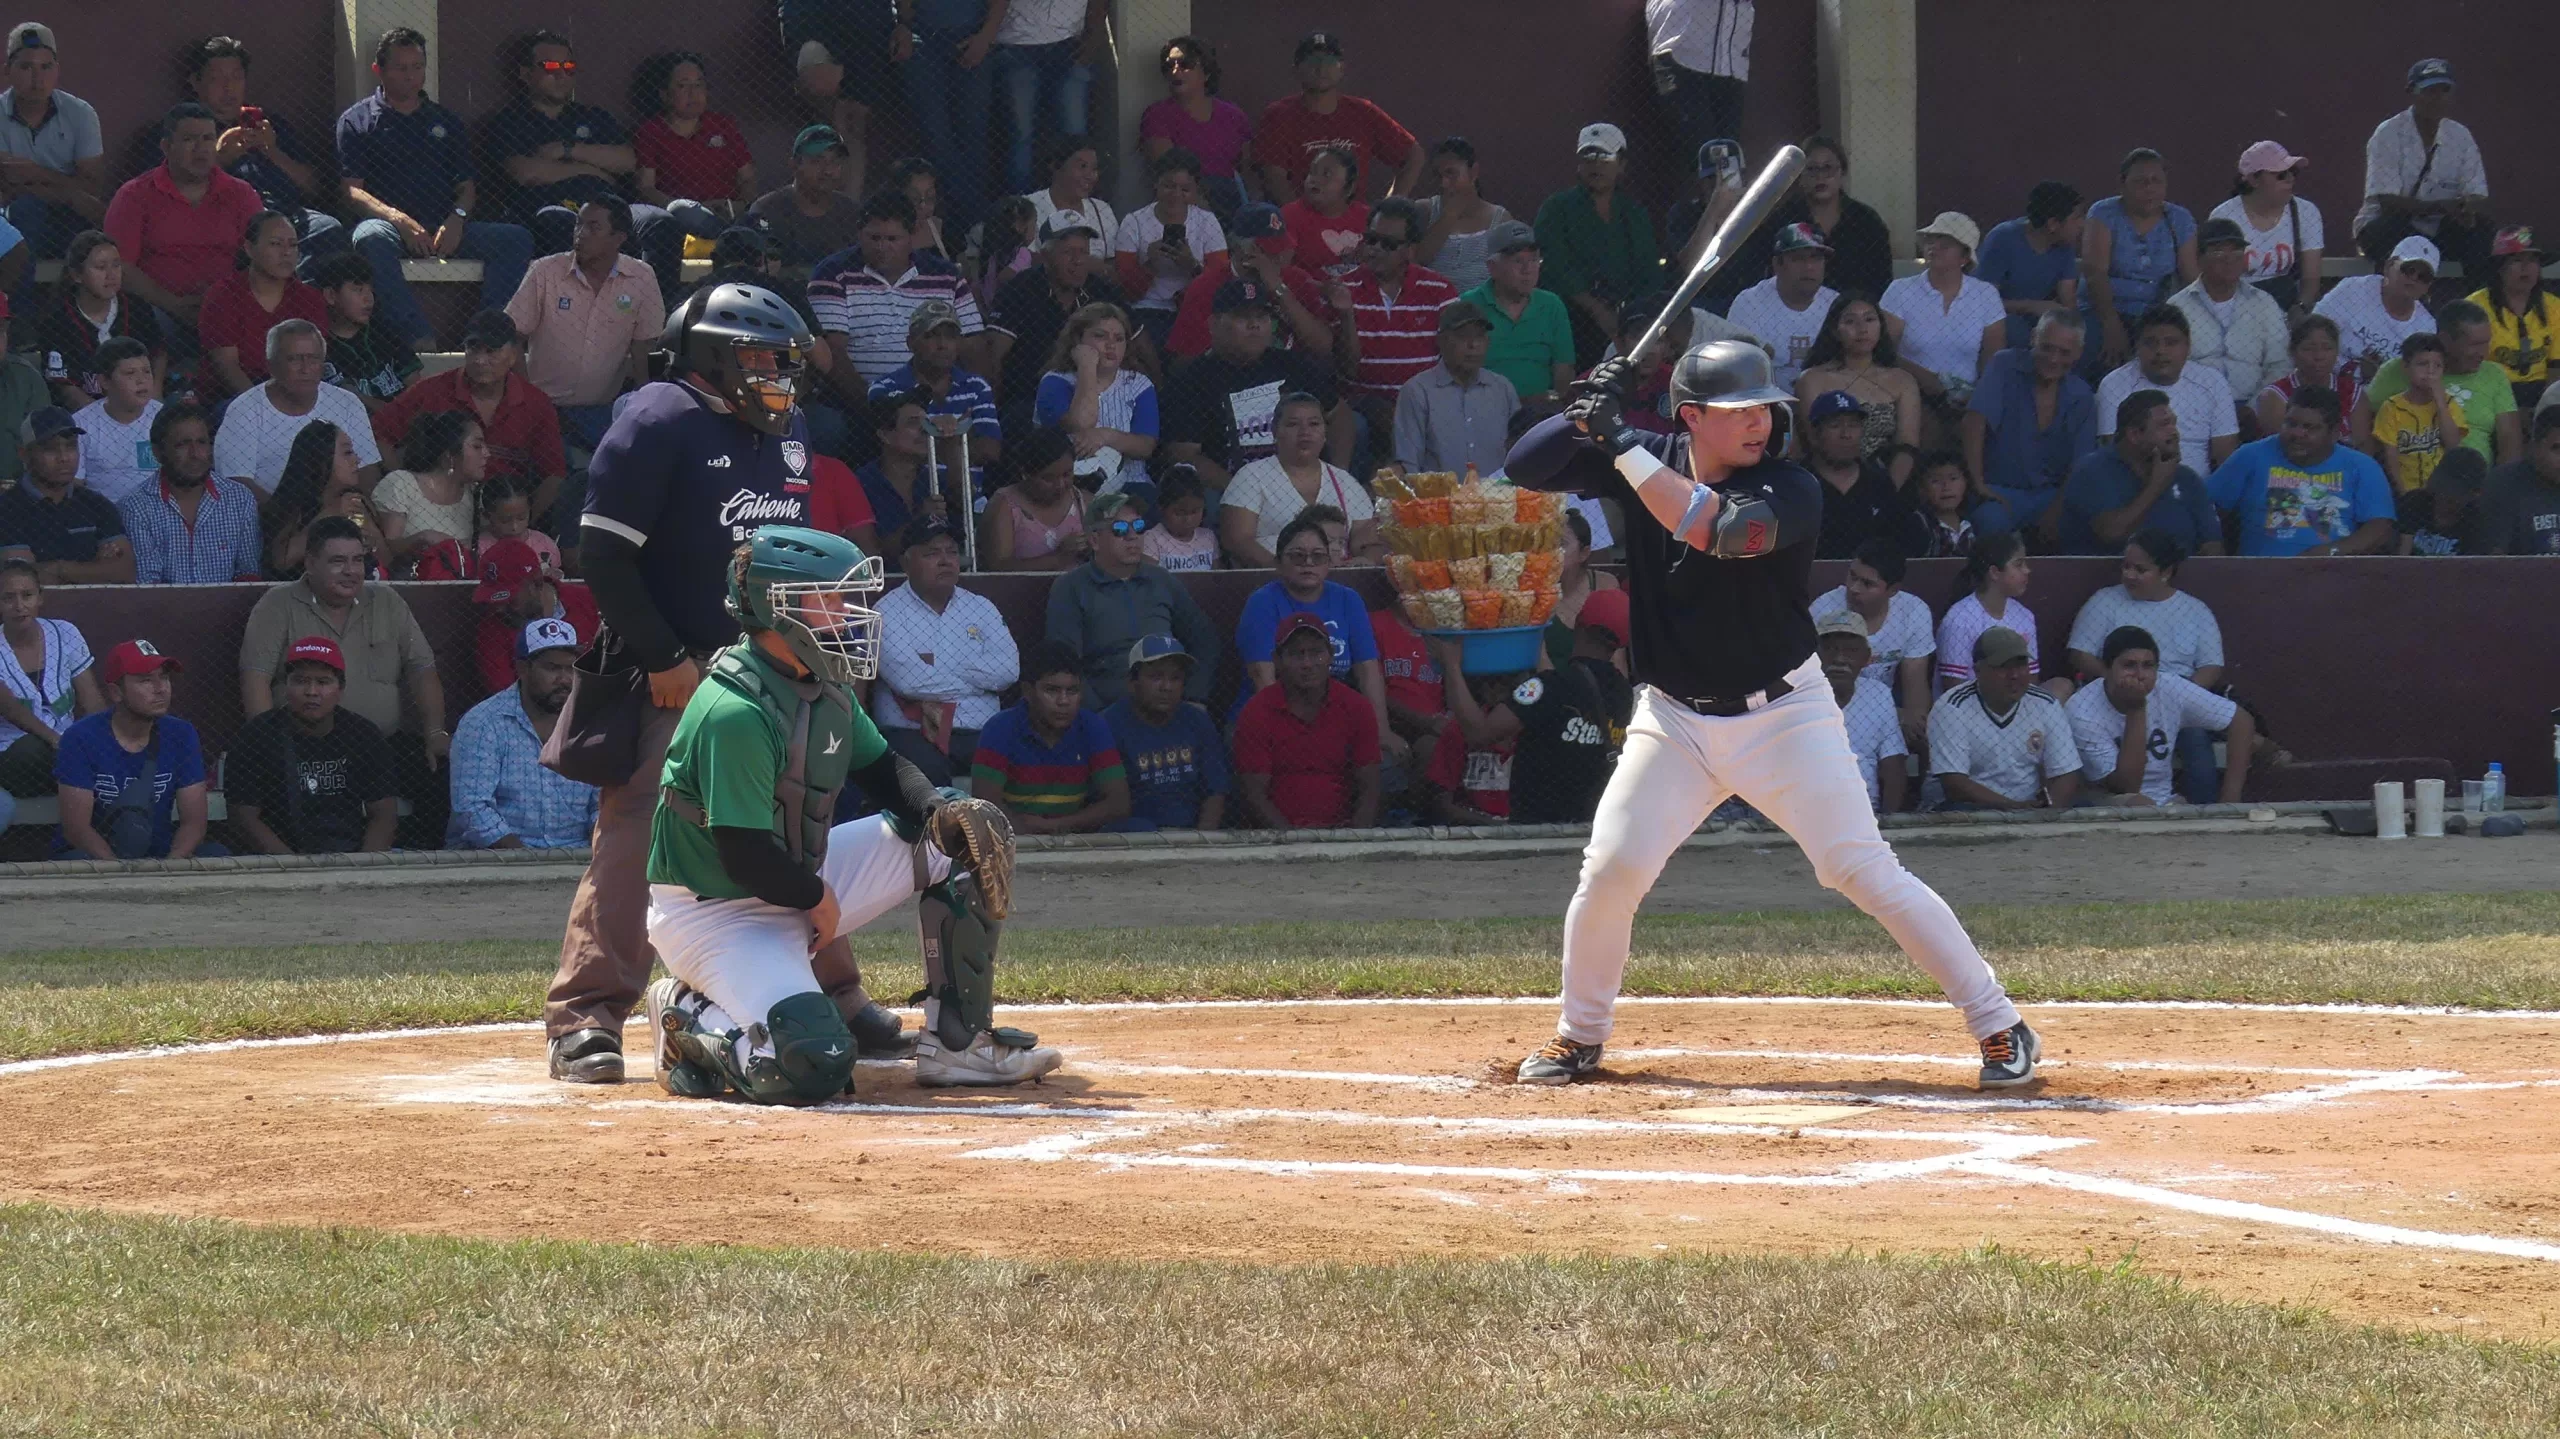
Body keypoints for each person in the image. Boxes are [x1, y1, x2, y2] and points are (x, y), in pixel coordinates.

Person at [1504, 337, 2040, 1087]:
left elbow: (1714, 528)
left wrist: (1619, 438)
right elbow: (1526, 465)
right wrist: (1590, 403)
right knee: (1614, 868)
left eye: (1765, 407)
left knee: (1861, 869)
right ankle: (1580, 1034)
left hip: (1786, 716)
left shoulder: (1790, 487)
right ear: (1691, 416)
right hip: (1675, 719)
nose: (1760, 422)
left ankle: (1999, 1022)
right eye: (1738, 410)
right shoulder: (1646, 453)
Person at [641, 524, 1060, 1096]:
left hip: (794, 880)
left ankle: (958, 1044)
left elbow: (884, 771)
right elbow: (741, 851)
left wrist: (935, 809)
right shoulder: (733, 711)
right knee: (810, 1064)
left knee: (968, 825)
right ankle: (684, 1014)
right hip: (717, 912)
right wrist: (816, 899)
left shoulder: (822, 683)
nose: (847, 613)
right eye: (829, 599)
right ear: (777, 608)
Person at [546, 282, 823, 1085]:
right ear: (711, 356)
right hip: (673, 669)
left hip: (768, 672)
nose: (780, 374)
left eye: (786, 359)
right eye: (763, 358)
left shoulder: (790, 428)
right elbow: (602, 555)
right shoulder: (659, 416)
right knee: (637, 834)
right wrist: (665, 655)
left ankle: (828, 993)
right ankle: (587, 1017)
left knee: (797, 825)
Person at [336, 27, 536, 348]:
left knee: (515, 239)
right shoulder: (356, 121)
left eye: (418, 67)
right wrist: (398, 221)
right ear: (379, 70)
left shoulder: (446, 121)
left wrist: (456, 219)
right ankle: (417, 339)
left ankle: (484, 337)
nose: (411, 76)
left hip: (444, 229)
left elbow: (467, 186)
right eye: (401, 68)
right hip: (391, 230)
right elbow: (352, 191)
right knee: (369, 237)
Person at [484, 31, 681, 298]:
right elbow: (525, 172)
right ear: (525, 73)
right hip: (551, 209)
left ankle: (657, 320)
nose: (561, 74)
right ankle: (573, 319)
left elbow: (627, 161)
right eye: (551, 67)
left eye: (568, 67)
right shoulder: (509, 120)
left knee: (659, 221)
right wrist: (590, 168)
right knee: (562, 222)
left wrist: (568, 150)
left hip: (612, 211)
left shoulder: (593, 116)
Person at [2064, 530, 2229, 801]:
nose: (2129, 575)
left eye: (2140, 569)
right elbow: (2079, 653)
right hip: (2114, 699)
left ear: (2165, 572)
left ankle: (2205, 814)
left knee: (2197, 746)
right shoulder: (2105, 601)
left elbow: (2211, 666)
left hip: (2174, 700)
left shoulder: (2195, 610)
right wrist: (2119, 679)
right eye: (2126, 566)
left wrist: (2176, 697)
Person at [504, 197, 667, 451]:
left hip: (603, 411)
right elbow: (512, 336)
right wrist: (529, 399)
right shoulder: (545, 271)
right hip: (544, 408)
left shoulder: (641, 277)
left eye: (593, 227)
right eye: (578, 224)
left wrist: (642, 402)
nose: (580, 234)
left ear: (619, 238)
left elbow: (643, 345)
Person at [1235, 509, 1397, 765]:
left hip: (1335, 715)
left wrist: (1381, 730)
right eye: (1297, 556)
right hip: (1275, 713)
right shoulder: (1263, 602)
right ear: (1278, 562)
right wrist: (1287, 734)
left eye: (1317, 556)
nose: (1308, 563)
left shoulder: (1347, 599)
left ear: (1329, 563)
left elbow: (1367, 669)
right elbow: (1262, 676)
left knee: (1384, 763)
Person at [370, 310, 565, 521]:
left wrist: (523, 522)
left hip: (505, 515)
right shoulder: (430, 390)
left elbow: (554, 474)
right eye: (473, 349)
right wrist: (408, 489)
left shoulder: (537, 403)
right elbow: (377, 434)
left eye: (492, 351)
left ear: (513, 356)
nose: (480, 360)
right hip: (435, 511)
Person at [869, 515, 1016, 786]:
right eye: (932, 553)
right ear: (906, 562)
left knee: (1018, 757)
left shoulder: (980, 607)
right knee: (924, 772)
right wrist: (978, 680)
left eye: (951, 552)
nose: (946, 560)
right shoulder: (886, 612)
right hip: (911, 733)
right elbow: (910, 683)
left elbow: (1008, 671)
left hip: (980, 729)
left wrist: (939, 667)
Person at [99, 104, 260, 348]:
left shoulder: (242, 194)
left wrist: (226, 300)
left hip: (229, 307)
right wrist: (173, 304)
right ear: (166, 147)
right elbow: (119, 266)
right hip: (158, 310)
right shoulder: (134, 195)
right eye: (189, 139)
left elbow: (261, 257)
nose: (200, 148)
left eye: (207, 138)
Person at [1161, 276, 1343, 488]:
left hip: (1303, 481)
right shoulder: (1190, 380)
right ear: (1214, 324)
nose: (1254, 325)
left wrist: (1338, 474)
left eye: (1262, 317)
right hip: (1230, 490)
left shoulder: (1292, 364)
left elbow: (1341, 415)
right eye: (1242, 317)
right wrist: (1244, 493)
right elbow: (1184, 455)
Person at [225, 635, 399, 855]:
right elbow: (244, 820)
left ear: (340, 688)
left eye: (323, 682)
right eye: (300, 681)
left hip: (351, 857)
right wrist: (294, 869)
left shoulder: (364, 735)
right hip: (276, 862)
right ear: (286, 686)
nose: (312, 692)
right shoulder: (255, 736)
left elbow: (383, 815)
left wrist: (363, 867)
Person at [1427, 628, 1621, 825]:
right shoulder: (1457, 731)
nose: (1501, 692)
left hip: (1529, 826)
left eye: (1512, 685)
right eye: (1493, 684)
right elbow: (1442, 806)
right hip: (1474, 836)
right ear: (1483, 689)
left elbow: (1551, 688)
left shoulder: (1538, 732)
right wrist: (1496, 826)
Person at [1046, 491, 1219, 710]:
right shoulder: (1071, 587)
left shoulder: (1161, 579)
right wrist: (1098, 716)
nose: (1132, 536)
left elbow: (1205, 638)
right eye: (1119, 529)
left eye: (1138, 526)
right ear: (1094, 540)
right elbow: (1065, 661)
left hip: (1170, 704)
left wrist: (1195, 697)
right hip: (1107, 707)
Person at [50, 638, 214, 861]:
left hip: (160, 854)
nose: (160, 689)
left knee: (216, 855)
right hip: (96, 858)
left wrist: (173, 866)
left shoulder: (181, 734)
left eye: (164, 677)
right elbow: (77, 829)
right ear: (116, 692)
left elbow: (194, 822)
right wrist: (119, 873)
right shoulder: (80, 737)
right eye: (146, 680)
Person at [448, 616, 598, 850]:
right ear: (522, 669)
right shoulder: (483, 722)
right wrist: (526, 861)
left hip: (577, 853)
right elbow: (472, 809)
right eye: (552, 668)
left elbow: (605, 803)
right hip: (497, 859)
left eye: (571, 668)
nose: (565, 679)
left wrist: (596, 853)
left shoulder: (590, 721)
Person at [188, 36, 339, 263]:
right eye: (216, 79)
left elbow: (314, 186)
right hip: (229, 222)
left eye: (236, 77)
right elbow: (172, 193)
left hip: (286, 217)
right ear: (196, 82)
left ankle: (299, 297)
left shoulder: (268, 123)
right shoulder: (183, 130)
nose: (228, 87)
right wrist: (219, 160)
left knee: (327, 228)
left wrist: (272, 150)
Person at [2066, 625, 2254, 807]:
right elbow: (2125, 787)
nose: (2140, 675)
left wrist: (2230, 798)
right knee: (2139, 803)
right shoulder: (2081, 709)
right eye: (2129, 665)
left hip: (2164, 801)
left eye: (2148, 666)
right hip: (2104, 801)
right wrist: (2137, 710)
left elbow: (2241, 721)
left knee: (2178, 811)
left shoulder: (2169, 686)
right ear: (2107, 669)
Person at [1232, 611, 1382, 830]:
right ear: (1277, 660)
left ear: (1331, 655)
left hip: (1343, 834)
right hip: (1279, 837)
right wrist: (1291, 841)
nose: (1307, 663)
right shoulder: (1257, 711)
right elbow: (1254, 794)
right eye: (1295, 654)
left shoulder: (1356, 706)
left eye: (1316, 653)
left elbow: (1371, 786)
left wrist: (1355, 837)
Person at [2204, 386, 2395, 556]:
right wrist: (2214, 543)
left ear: (2335, 433)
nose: (2297, 434)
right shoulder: (2250, 455)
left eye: (2309, 427)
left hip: (2331, 575)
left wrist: (2329, 552)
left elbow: (2380, 528)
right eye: (2291, 424)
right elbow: (2206, 504)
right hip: (2260, 574)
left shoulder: (2361, 465)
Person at [970, 638, 1129, 834]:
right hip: (1013, 839)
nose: (1063, 701)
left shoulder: (1093, 726)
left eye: (1072, 691)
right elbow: (985, 807)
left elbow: (1119, 803)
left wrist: (1053, 827)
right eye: (1051, 690)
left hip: (1075, 839)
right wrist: (1028, 835)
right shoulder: (999, 728)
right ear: (1027, 692)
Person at [2352, 59, 2492, 279]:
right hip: (2389, 227)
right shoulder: (2388, 133)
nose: (2438, 98)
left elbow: (2479, 195)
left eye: (2444, 91)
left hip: (2438, 229)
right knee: (2390, 229)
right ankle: (2392, 302)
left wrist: (2467, 208)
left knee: (2482, 230)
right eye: (2429, 91)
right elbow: (2388, 203)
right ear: (2412, 93)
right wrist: (2443, 207)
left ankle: (2475, 307)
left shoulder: (2461, 135)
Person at [1534, 123, 1660, 367]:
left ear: (1621, 164)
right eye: (1588, 156)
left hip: (1627, 319)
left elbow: (1648, 271)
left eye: (1605, 156)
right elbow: (1554, 266)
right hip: (1569, 319)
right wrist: (1596, 309)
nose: (1596, 165)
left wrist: (1633, 318)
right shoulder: (1556, 209)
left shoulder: (1634, 214)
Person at [1718, 136, 1892, 311]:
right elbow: (1756, 267)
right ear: (1799, 176)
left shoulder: (1866, 221)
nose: (1820, 176)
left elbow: (1881, 282)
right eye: (1811, 169)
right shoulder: (1783, 218)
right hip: (1789, 311)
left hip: (1852, 316)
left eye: (1828, 168)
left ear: (1842, 172)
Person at [1963, 312, 2095, 539]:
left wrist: (2056, 511)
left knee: (2080, 527)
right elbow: (1975, 420)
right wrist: (1978, 483)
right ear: (2033, 338)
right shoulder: (2004, 364)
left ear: (2078, 354)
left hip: (2051, 495)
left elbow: (2080, 465)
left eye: (2064, 352)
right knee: (1989, 520)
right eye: (2047, 347)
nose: (2054, 359)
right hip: (2000, 490)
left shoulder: (2082, 395)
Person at [211, 320, 381, 495]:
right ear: (271, 366)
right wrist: (287, 516)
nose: (305, 369)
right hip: (272, 517)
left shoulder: (347, 402)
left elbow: (368, 467)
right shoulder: (243, 411)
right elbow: (237, 484)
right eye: (293, 359)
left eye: (313, 358)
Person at [1336, 197, 1462, 428]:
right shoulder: (1343, 289)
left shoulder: (1440, 290)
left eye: (1389, 244)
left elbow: (1456, 358)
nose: (1375, 250)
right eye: (1372, 240)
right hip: (1362, 408)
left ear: (1410, 251)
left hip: (1425, 404)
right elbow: (1346, 369)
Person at [1253, 31, 1420, 202]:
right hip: (1298, 220)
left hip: (1353, 222)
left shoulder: (1363, 112)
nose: (1321, 68)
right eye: (1312, 61)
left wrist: (1389, 207)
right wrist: (1297, 219)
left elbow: (1413, 154)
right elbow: (1274, 176)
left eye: (1330, 61)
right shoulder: (1279, 115)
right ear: (1296, 69)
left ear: (1342, 69)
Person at [1925, 626, 2077, 812]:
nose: (2014, 675)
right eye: (2003, 667)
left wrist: (2048, 812)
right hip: (1967, 811)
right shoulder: (1951, 707)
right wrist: (2013, 809)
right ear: (1978, 670)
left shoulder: (2045, 704)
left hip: (2029, 807)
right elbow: (1955, 785)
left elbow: (2066, 773)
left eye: (2021, 665)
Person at [985, 218, 1131, 409]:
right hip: (1030, 399)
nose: (1078, 261)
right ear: (1045, 256)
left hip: (1098, 398)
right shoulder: (1019, 290)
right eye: (1068, 252)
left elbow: (1137, 343)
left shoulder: (1102, 291)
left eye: (1084, 252)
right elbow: (993, 356)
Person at [1161, 202, 1335, 363]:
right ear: (1241, 249)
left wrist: (1278, 289)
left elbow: (1323, 348)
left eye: (1282, 247)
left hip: (1291, 378)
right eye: (1270, 250)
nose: (1281, 257)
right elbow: (1188, 362)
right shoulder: (1206, 287)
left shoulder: (1297, 279)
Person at [1221, 391, 1379, 565]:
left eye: (1314, 424)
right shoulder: (1251, 476)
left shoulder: (1345, 482)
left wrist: (1366, 559)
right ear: (1274, 431)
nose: (1305, 432)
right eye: (1292, 424)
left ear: (1325, 433)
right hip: (1271, 583)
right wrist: (1285, 570)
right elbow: (1237, 540)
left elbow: (1368, 540)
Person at [2059, 389, 2222, 556]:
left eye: (2174, 423)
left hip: (2175, 579)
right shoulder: (2092, 470)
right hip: (2105, 578)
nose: (2174, 432)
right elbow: (2112, 533)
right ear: (2135, 434)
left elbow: (2213, 543)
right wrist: (2156, 485)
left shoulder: (2186, 478)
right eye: (2164, 424)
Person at [2358, 299, 2518, 466]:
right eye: (2475, 345)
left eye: (2486, 343)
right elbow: (2363, 419)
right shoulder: (2398, 370)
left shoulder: (2494, 374)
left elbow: (2510, 440)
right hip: (2410, 476)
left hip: (2477, 480)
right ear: (2445, 340)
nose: (2483, 353)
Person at [2080, 148, 2197, 374]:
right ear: (2122, 185)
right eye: (2140, 181)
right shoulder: (2103, 213)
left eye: (2156, 181)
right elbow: (2096, 273)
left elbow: (2191, 277)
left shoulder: (2180, 218)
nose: (2149, 188)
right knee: (2100, 356)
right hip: (2106, 308)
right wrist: (2111, 325)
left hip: (2158, 312)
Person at [118, 401, 261, 585]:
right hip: (161, 611)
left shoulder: (240, 499)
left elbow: (248, 574)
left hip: (230, 610)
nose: (195, 454)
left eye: (201, 442)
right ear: (158, 452)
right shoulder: (135, 506)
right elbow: (147, 584)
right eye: (182, 444)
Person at [1807, 537, 1931, 747]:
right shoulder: (1822, 610)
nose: (1854, 588)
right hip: (1834, 702)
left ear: (1892, 590)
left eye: (1867, 583)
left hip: (1888, 708)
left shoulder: (1914, 612)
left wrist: (1915, 722)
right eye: (1852, 576)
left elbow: (1916, 683)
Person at [0, 557, 98, 821]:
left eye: (27, 595)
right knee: (33, 750)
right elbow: (9, 708)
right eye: (8, 598)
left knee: (105, 750)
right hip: (14, 756)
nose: (19, 606)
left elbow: (92, 701)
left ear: (40, 597)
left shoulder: (65, 633)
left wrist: (99, 738)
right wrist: (59, 742)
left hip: (67, 750)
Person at [1880, 212, 2004, 418]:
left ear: (1964, 257)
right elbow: (1884, 350)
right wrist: (1931, 383)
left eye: (1945, 244)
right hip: (1909, 393)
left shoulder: (1986, 294)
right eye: (1931, 240)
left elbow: (1993, 357)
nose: (1934, 247)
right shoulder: (1899, 290)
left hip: (1969, 399)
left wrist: (1977, 398)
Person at [195, 211, 328, 401]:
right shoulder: (223, 295)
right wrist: (266, 407)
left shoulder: (310, 299)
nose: (286, 252)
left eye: (293, 245)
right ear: (249, 248)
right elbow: (227, 367)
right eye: (275, 244)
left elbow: (313, 363)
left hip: (296, 396)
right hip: (234, 399)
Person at [2093, 305, 2239, 475]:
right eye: (2150, 343)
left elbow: (2225, 458)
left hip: (2199, 489)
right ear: (2137, 346)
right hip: (2135, 486)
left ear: (2188, 346)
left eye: (2171, 343)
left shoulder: (2213, 382)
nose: (2160, 351)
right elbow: (2115, 457)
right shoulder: (2114, 384)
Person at [1101, 635, 1228, 829]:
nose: (1166, 687)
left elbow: (1215, 791)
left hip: (1191, 834)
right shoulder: (1107, 725)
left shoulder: (1198, 720)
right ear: (1132, 682)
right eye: (1156, 677)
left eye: (1175, 678)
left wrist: (1203, 840)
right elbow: (1111, 804)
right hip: (1133, 838)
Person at [29, 231, 165, 411]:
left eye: (116, 265)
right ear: (77, 275)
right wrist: (104, 420)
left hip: (141, 405)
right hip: (88, 414)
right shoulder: (56, 322)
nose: (111, 275)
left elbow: (158, 354)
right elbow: (65, 386)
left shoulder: (137, 308)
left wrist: (155, 396)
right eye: (101, 267)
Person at [777, 0, 897, 202]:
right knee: (825, 101)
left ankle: (848, 209)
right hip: (812, 14)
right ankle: (818, 204)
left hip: (867, 16)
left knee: (852, 123)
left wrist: (902, 22)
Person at [1032, 301, 1156, 492]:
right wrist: (1087, 367)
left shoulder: (1139, 384)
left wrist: (1105, 436)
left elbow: (1146, 446)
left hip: (1130, 485)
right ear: (1077, 340)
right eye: (1100, 336)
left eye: (1119, 338)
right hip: (1067, 485)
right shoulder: (1055, 382)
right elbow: (1080, 424)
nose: (1110, 345)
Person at [1795, 294, 1922, 480]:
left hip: (1889, 479)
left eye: (1870, 319)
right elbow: (1815, 442)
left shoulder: (1903, 380)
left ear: (1881, 326)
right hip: (1828, 479)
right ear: (1834, 330)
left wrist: (1889, 489)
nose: (1862, 329)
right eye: (1850, 321)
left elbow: (1907, 445)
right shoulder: (1812, 379)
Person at [2167, 217, 2289, 408]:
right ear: (2199, 259)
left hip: (2254, 404)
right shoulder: (2178, 307)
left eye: (2236, 250)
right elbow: (2169, 367)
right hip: (2194, 406)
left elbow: (2280, 364)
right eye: (2218, 251)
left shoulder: (2264, 303)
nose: (2229, 258)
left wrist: (2256, 406)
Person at [0, 406, 131, 582]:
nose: (64, 457)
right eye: (50, 449)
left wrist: (58, 569)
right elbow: (20, 580)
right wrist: (95, 567)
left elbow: (125, 572)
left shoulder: (97, 504)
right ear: (24, 454)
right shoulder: (7, 508)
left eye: (71, 446)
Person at [630, 52, 756, 234]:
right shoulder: (651, 132)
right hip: (682, 219)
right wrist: (687, 209)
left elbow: (748, 177)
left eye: (699, 85)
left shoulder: (723, 125)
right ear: (665, 94)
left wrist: (740, 205)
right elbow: (646, 187)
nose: (693, 93)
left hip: (729, 213)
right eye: (683, 86)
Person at [1393, 299, 1519, 475]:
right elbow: (1408, 465)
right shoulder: (1417, 391)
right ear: (1442, 341)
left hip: (1497, 499)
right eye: (1463, 336)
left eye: (1479, 336)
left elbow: (1521, 455)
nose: (1473, 345)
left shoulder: (1503, 389)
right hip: (1439, 500)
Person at [1112, 147, 1223, 344]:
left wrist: (1193, 266)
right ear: (1156, 183)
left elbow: (1220, 282)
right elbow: (1126, 290)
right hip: (1146, 308)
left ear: (1196, 190)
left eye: (1185, 189)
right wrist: (1150, 263)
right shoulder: (1134, 221)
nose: (1176, 195)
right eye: (1169, 186)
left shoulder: (1207, 221)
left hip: (1192, 306)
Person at [1464, 220, 1576, 409]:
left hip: (1540, 414)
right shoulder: (1469, 305)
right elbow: (1460, 373)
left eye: (1534, 260)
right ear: (1493, 267)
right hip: (1483, 410)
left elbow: (1564, 369)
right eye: (1518, 261)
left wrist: (1557, 406)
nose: (1528, 269)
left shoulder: (1552, 305)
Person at [1801, 389, 1923, 559]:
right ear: (1815, 434)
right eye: (1835, 425)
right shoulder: (1798, 482)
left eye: (1853, 425)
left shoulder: (1879, 482)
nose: (1846, 434)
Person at [1138, 36, 1251, 217]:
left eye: (1185, 64)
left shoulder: (1234, 115)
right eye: (1169, 66)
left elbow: (1248, 171)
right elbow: (1168, 170)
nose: (1175, 71)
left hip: (1231, 200)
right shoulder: (1157, 115)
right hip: (1185, 202)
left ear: (1206, 72)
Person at [258, 422, 384, 580]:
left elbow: (387, 561)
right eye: (347, 452)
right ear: (321, 458)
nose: (357, 459)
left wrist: (371, 539)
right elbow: (282, 560)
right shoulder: (294, 505)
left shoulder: (355, 502)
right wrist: (330, 515)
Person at [2210, 140, 2322, 315]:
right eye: (2281, 175)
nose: (2290, 179)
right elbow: (2217, 280)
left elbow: (2311, 277)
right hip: (2237, 308)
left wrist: (2301, 308)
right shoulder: (2225, 216)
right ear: (2254, 179)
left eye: (2293, 172)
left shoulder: (2306, 212)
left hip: (2287, 306)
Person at [1811, 611, 1906, 814]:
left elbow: (1893, 764)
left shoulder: (1878, 694)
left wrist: (1890, 822)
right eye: (1830, 649)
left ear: (1866, 657)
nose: (1839, 659)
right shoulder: (1795, 694)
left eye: (1851, 650)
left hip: (1865, 811)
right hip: (1807, 812)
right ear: (1814, 654)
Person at [372, 409, 487, 574]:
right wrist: (421, 538)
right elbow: (389, 551)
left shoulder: (476, 494)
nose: (487, 454)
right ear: (450, 455)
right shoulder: (402, 484)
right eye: (477, 446)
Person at [1729, 223, 1840, 391]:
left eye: (1816, 258)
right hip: (1764, 401)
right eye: (1798, 258)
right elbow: (1737, 366)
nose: (1809, 267)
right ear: (1777, 264)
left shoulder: (1835, 303)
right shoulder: (1749, 302)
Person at [1974, 181, 2083, 351]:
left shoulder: (2065, 245)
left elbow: (2068, 299)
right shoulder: (2003, 239)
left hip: (2041, 318)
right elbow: (1982, 302)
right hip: (2001, 318)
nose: (2081, 224)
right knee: (2016, 331)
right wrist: (2032, 306)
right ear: (2053, 224)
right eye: (2076, 218)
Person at [2313, 233, 2437, 379]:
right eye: (2408, 269)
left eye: (2423, 277)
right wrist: (2355, 371)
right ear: (2388, 266)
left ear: (2428, 286)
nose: (2414, 279)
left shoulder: (2427, 327)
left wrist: (2378, 376)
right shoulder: (2353, 289)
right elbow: (2313, 331)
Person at [1933, 530, 2040, 695]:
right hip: (1969, 711)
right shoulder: (1959, 620)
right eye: (2019, 564)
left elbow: (2031, 679)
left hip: (2015, 704)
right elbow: (1954, 689)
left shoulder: (2025, 616)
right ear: (1995, 573)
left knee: (2061, 686)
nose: (2027, 570)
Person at [748, 126, 864, 272]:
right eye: (817, 161)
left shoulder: (852, 212)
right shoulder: (766, 209)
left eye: (835, 162)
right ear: (795, 165)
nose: (828, 170)